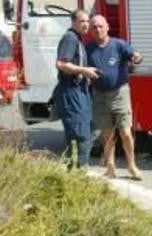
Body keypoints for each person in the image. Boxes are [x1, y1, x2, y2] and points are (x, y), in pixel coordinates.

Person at [85, 15, 144, 180]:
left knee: (125, 132)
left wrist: (136, 57)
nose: (97, 29)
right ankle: (110, 168)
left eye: (100, 26)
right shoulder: (87, 48)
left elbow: (134, 54)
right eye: (94, 27)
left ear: (107, 27)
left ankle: (132, 166)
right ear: (91, 30)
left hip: (119, 93)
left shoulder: (118, 44)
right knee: (107, 134)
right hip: (99, 95)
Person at [53, 10, 99, 169]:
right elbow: (61, 64)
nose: (86, 24)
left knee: (88, 131)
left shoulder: (78, 39)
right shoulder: (70, 38)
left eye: (87, 21)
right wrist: (83, 70)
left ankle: (76, 171)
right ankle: (77, 173)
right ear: (73, 22)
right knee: (80, 136)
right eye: (82, 21)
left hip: (81, 91)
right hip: (71, 91)